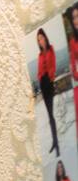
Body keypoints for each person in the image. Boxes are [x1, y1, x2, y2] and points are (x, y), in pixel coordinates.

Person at [38, 29, 60, 157]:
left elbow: (53, 66)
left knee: (51, 115)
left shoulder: (51, 50)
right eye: (38, 39)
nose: (40, 41)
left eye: (41, 38)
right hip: (43, 83)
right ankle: (54, 141)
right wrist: (41, 77)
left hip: (49, 82)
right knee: (49, 115)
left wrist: (49, 77)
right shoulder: (40, 55)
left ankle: (55, 142)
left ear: (45, 37)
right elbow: (39, 71)